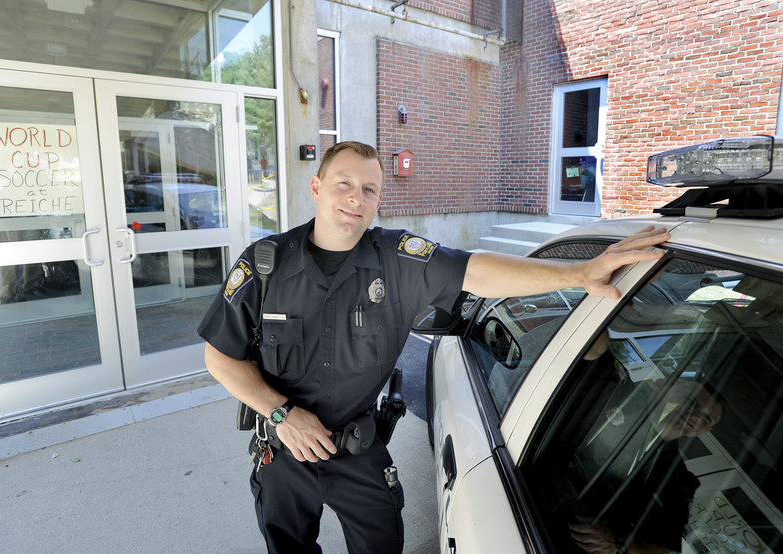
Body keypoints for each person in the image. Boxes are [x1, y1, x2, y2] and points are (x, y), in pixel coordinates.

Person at [197, 141, 670, 554]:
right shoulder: (265, 264)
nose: (356, 199)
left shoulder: (398, 259)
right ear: (318, 188)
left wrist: (576, 275)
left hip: (359, 452)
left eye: (369, 190)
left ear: (379, 200)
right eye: (344, 184)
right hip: (283, 449)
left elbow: (476, 270)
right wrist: (281, 414)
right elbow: (219, 355)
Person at [569, 378, 724, 554]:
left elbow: (662, 549)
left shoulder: (677, 479)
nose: (694, 416)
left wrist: (617, 542)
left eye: (706, 418)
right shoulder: (614, 394)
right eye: (690, 401)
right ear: (662, 386)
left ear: (706, 431)